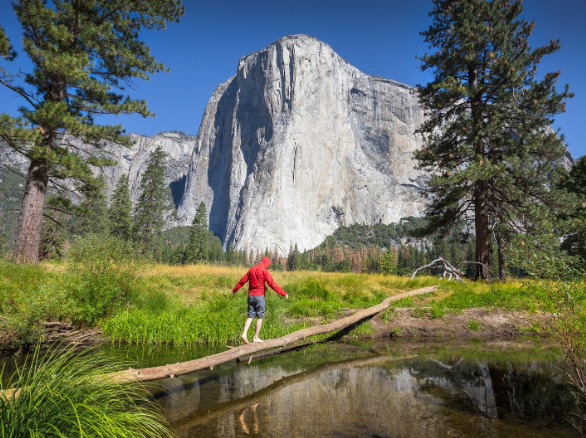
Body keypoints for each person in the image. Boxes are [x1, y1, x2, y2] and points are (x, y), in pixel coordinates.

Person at [232, 256, 288, 343]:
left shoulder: (251, 270)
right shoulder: (264, 272)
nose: (267, 266)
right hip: (259, 296)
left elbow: (242, 281)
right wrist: (283, 293)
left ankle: (244, 333)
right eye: (268, 265)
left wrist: (234, 290)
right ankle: (256, 337)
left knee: (250, 316)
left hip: (250, 296)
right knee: (260, 317)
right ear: (266, 263)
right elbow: (272, 284)